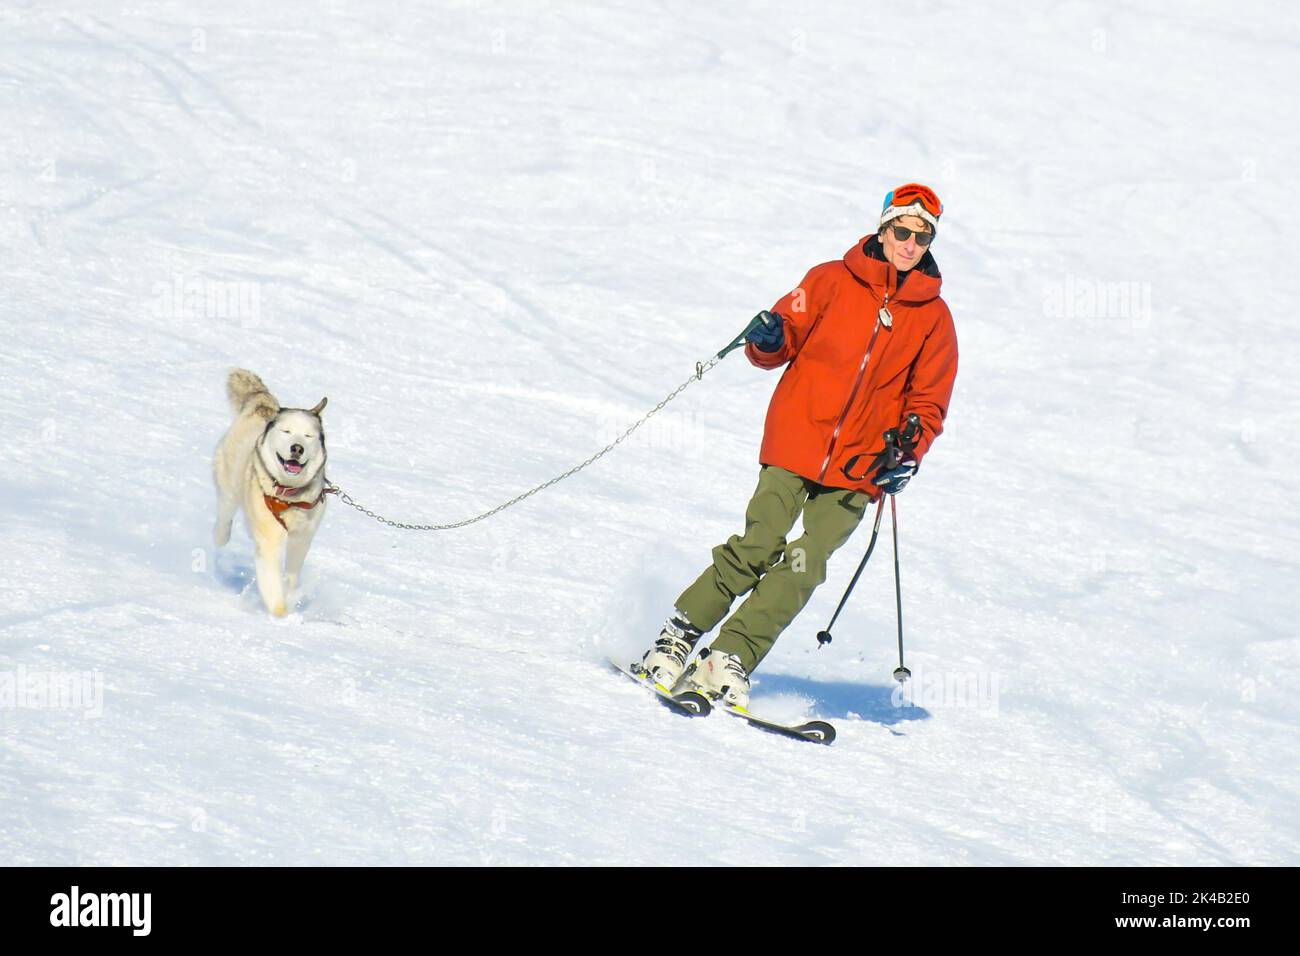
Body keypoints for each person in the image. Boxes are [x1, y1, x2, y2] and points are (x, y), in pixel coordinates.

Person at [637, 183, 959, 708]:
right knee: (758, 545)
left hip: (861, 467)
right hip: (795, 440)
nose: (910, 243)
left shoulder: (934, 318)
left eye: (923, 237)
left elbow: (929, 401)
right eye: (903, 230)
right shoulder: (830, 279)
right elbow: (784, 335)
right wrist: (768, 338)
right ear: (883, 227)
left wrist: (907, 452)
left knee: (806, 563)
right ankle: (677, 638)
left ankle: (730, 657)